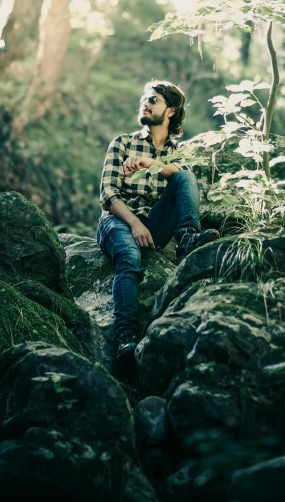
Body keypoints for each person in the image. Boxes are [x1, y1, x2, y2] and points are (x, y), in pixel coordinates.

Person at [97, 80, 220, 363]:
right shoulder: (123, 143)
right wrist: (134, 224)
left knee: (184, 176)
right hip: (118, 221)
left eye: (153, 100)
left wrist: (149, 163)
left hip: (156, 226)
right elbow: (107, 194)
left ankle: (187, 238)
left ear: (171, 111)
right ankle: (126, 338)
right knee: (128, 257)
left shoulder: (178, 153)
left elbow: (184, 182)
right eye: (144, 99)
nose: (145, 103)